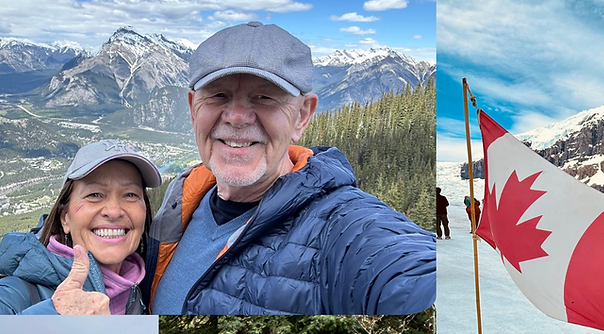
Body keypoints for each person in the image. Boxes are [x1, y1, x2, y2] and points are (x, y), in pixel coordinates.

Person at [145, 21, 435, 315]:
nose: (236, 117)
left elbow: (405, 270)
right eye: (219, 95)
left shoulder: (340, 227)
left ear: (301, 116)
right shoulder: (179, 203)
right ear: (194, 109)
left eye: (264, 97)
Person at [0, 140, 161, 314]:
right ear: (65, 218)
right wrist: (55, 317)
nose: (114, 211)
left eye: (130, 195)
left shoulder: (147, 284)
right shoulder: (14, 295)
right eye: (95, 195)